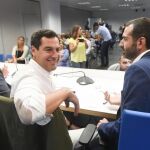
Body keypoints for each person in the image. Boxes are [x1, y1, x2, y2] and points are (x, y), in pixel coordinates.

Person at [10, 29, 80, 149]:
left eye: (57, 49)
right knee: (99, 133)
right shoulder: (28, 77)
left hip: (46, 134)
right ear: (33, 51)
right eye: (48, 50)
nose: (55, 55)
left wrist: (70, 125)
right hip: (43, 142)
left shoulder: (42, 73)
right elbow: (28, 113)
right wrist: (65, 92)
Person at [94, 17, 150, 150]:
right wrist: (123, 98)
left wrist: (103, 127)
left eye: (125, 39)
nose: (120, 44)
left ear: (140, 42)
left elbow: (129, 125)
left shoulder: (138, 70)